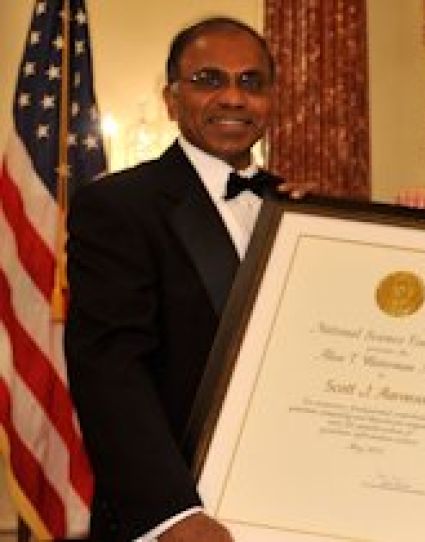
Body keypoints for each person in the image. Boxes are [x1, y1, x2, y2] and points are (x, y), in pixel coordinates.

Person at [65, 17, 305, 541]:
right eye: (208, 80)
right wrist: (173, 515)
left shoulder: (300, 212)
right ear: (172, 99)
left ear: (272, 99)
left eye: (251, 82)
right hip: (180, 519)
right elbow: (110, 370)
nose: (233, 98)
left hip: (292, 509)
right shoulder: (118, 207)